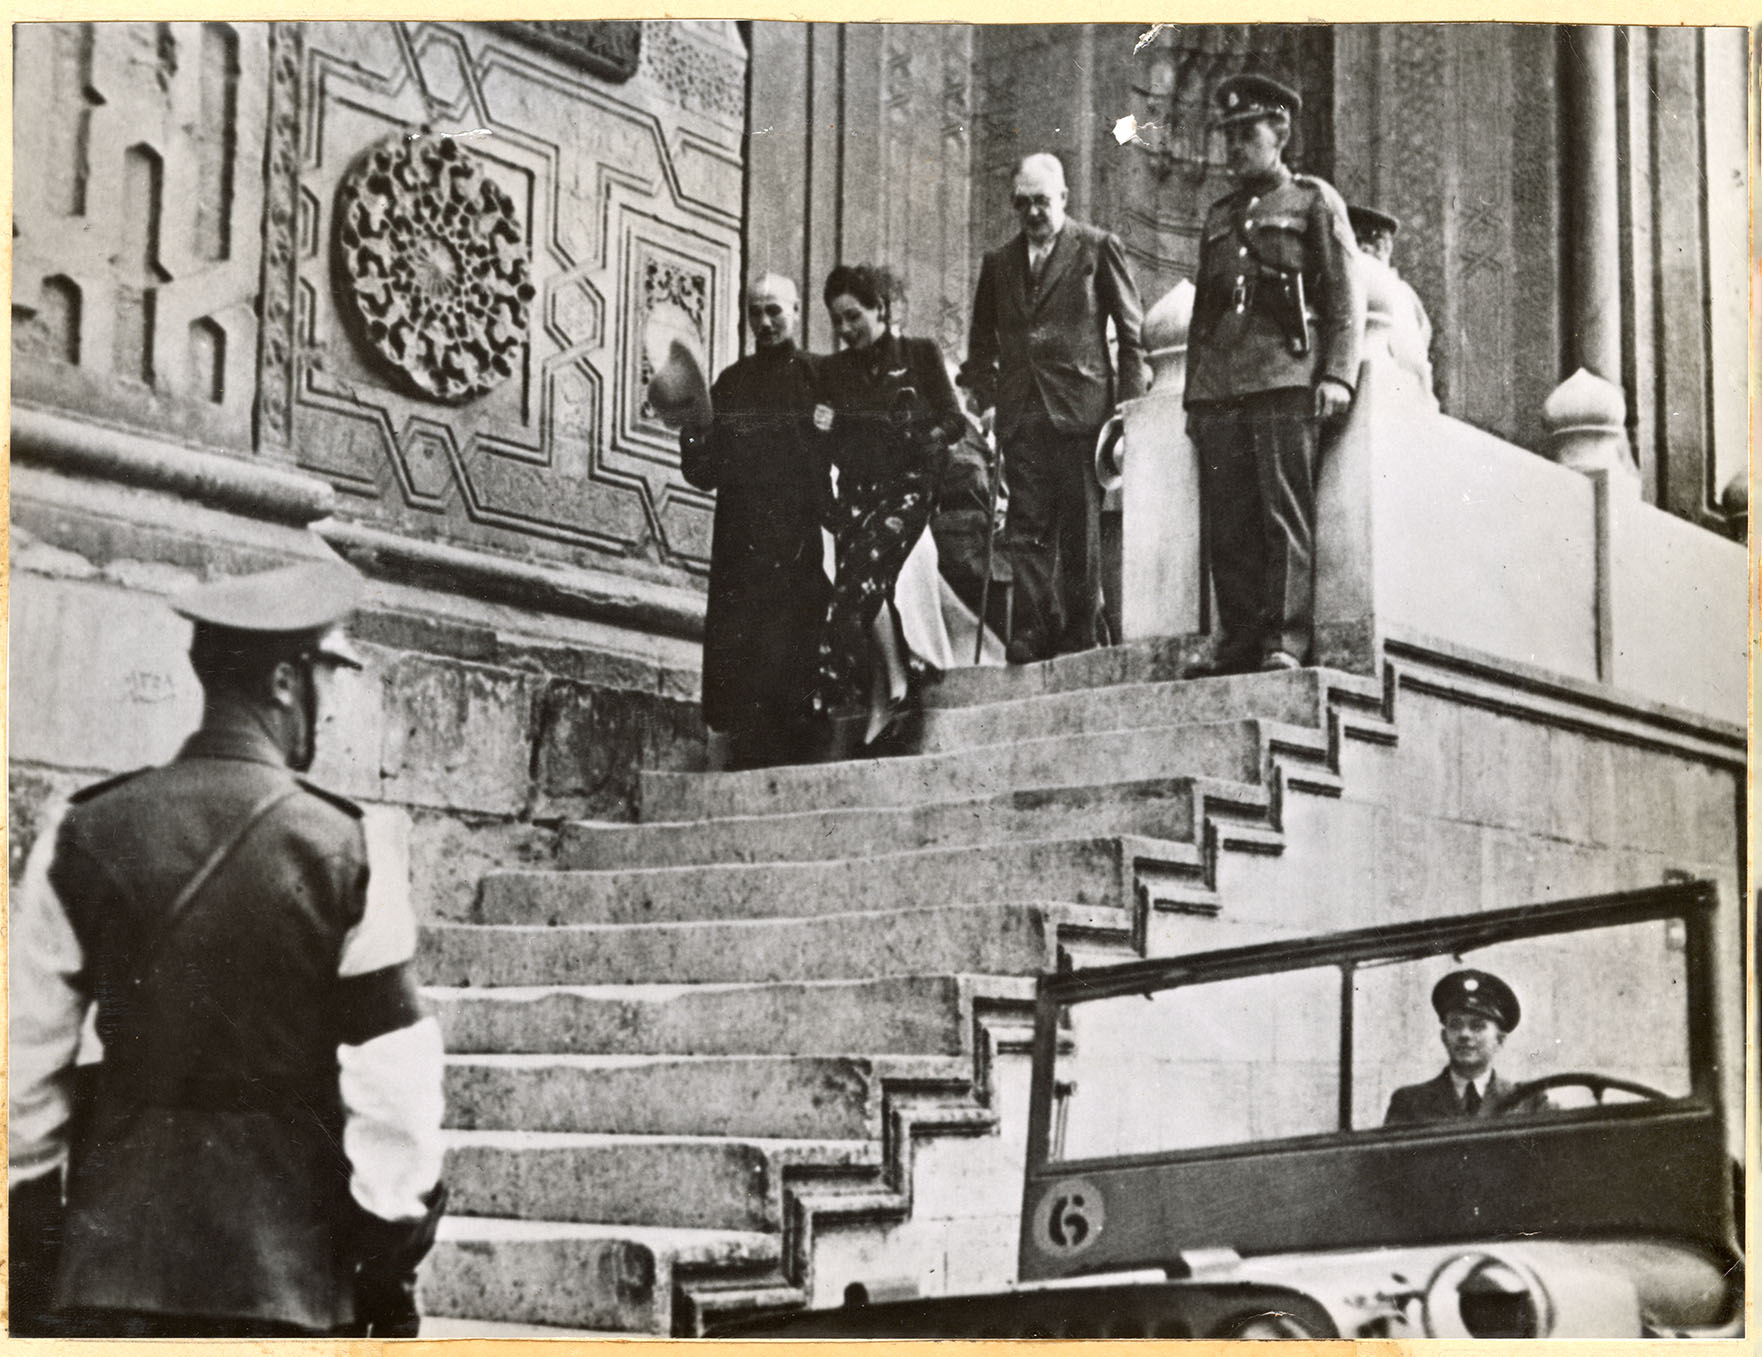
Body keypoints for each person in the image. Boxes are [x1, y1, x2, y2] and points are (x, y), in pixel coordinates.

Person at [8, 559, 447, 1338]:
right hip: (287, 1284)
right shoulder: (350, 850)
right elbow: (396, 1088)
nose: (329, 708)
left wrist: (43, 1252)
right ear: (284, 681)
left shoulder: (79, 833)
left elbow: (23, 1067)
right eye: (326, 678)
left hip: (110, 1275)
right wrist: (385, 1257)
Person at [1184, 74, 1364, 678]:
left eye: (1247, 133)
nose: (1234, 147)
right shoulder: (1219, 216)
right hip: (1221, 386)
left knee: (1283, 514)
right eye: (1228, 135)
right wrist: (1194, 396)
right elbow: (1203, 316)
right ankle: (1236, 642)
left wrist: (1337, 374)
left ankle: (1284, 641)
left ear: (1280, 132)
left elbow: (1343, 295)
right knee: (1228, 520)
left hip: (1285, 376)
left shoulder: (1312, 201)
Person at [961, 152, 1148, 664]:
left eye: (1041, 201)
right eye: (1022, 204)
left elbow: (1132, 335)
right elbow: (980, 346)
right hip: (1021, 414)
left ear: (1063, 197)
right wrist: (989, 401)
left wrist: (1128, 411)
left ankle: (1081, 632)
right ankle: (1033, 629)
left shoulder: (1097, 248)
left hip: (1082, 412)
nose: (1032, 213)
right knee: (1026, 528)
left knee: (1080, 527)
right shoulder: (999, 263)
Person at [670, 273, 831, 770]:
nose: (764, 321)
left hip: (799, 534)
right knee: (743, 644)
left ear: (796, 310)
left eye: (774, 310)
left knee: (794, 640)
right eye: (755, 312)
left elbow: (844, 449)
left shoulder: (820, 377)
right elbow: (703, 472)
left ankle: (796, 749)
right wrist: (692, 429)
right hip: (742, 539)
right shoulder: (731, 384)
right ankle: (747, 751)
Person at [809, 262, 965, 747]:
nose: (845, 329)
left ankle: (828, 681)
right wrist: (823, 427)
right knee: (859, 572)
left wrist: (923, 438)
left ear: (880, 308)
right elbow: (826, 439)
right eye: (837, 320)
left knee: (863, 565)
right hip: (858, 491)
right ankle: (893, 685)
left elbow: (954, 421)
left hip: (909, 486)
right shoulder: (832, 372)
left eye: (853, 316)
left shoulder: (919, 354)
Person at [1384, 969, 1539, 1125]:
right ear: (1444, 1037)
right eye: (1455, 1025)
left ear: (1500, 1040)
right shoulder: (1410, 1103)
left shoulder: (1528, 1102)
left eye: (1477, 1026)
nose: (1464, 1034)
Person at [1347, 203, 1437, 404]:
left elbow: (1411, 354)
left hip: (1384, 389)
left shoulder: (1396, 290)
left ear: (1378, 247)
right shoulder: (1395, 287)